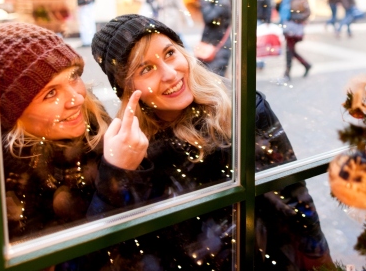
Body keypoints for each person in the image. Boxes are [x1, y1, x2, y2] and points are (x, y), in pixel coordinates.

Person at [89, 14, 333, 270]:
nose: (170, 74)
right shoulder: (130, 150)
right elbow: (113, 248)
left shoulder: (241, 109)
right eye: (146, 69)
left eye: (170, 53)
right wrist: (116, 171)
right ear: (127, 88)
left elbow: (291, 193)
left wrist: (318, 256)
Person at [0, 22, 142, 246]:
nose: (78, 98)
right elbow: (73, 258)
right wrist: (115, 174)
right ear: (13, 112)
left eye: (73, 76)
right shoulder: (13, 181)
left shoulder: (93, 117)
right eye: (50, 93)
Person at [198, 0, 233, 76]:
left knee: (214, 79)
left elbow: (209, 18)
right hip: (211, 45)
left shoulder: (224, 1)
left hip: (219, 47)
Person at [278, 0, 312, 81]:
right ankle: (306, 65)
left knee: (289, 50)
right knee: (291, 50)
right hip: (287, 26)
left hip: (294, 28)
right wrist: (278, 0)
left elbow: (307, 12)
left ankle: (287, 74)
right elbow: (279, 9)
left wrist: (294, 19)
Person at [256, 0, 275, 70]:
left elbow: (268, 6)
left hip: (261, 20)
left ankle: (260, 62)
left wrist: (267, 20)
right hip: (253, 20)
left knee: (261, 43)